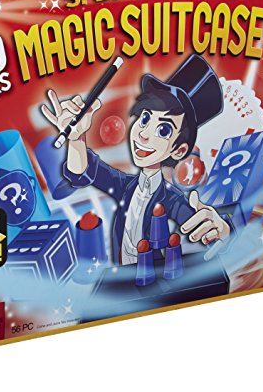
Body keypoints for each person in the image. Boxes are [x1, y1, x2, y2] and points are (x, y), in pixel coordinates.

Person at [41, 54, 233, 265]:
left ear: (179, 151)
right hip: (122, 276)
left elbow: (201, 226)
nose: (143, 134)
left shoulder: (170, 199)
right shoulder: (125, 187)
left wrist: (222, 230)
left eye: (163, 130)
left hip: (154, 279)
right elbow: (84, 171)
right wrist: (76, 139)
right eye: (145, 118)